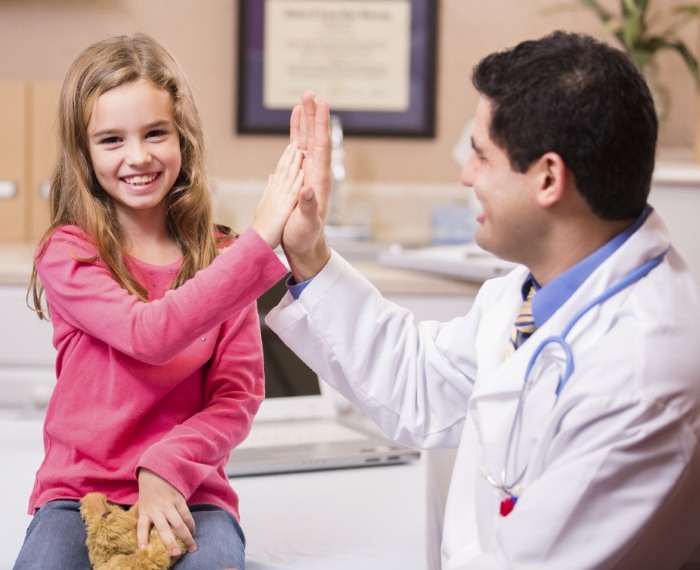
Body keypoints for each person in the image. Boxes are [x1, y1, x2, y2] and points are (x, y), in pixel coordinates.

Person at [268, 31, 700, 569]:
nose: (466, 175)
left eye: (480, 155)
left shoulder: (640, 375)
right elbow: (422, 380)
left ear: (548, 177)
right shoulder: (535, 290)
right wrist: (308, 251)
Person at [14, 33, 306, 570]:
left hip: (191, 488)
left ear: (183, 138)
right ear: (83, 154)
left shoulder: (221, 256)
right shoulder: (69, 252)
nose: (139, 156)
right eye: (111, 140)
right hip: (78, 492)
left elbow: (236, 396)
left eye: (155, 133)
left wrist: (165, 465)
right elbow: (151, 335)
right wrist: (259, 242)